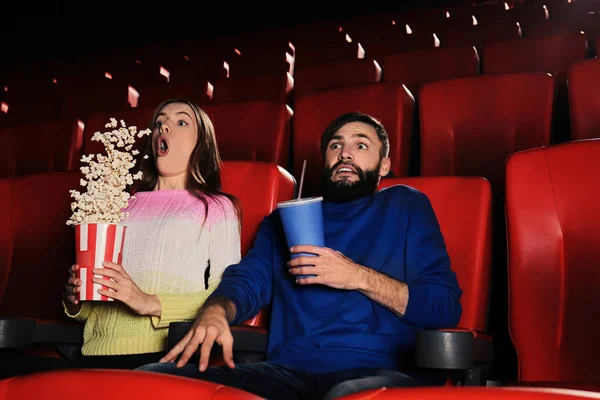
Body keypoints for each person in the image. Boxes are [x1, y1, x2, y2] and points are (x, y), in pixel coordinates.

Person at [138, 112, 462, 399]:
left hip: (378, 371)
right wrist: (216, 311)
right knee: (149, 380)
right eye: (335, 146)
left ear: (385, 165)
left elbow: (444, 308)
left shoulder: (405, 205)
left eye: (361, 145)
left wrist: (356, 276)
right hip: (286, 372)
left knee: (346, 395)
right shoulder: (284, 220)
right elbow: (247, 282)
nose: (345, 153)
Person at [0, 98, 242, 378]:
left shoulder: (216, 207)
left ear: (202, 145)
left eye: (181, 122)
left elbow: (226, 296)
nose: (164, 127)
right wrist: (75, 301)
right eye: (159, 122)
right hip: (92, 354)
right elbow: (93, 307)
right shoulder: (115, 204)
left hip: (163, 355)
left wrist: (151, 302)